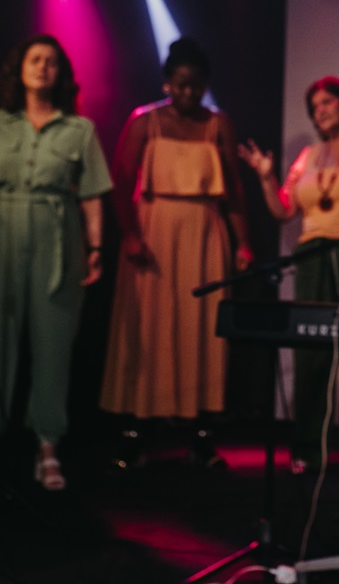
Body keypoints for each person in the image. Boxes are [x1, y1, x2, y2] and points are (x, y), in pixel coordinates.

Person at [0, 34, 111, 492]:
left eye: (51, 61)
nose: (42, 67)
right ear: (18, 69)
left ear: (61, 72)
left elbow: (93, 196)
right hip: (0, 235)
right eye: (34, 59)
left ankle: (47, 447)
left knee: (53, 345)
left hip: (56, 239)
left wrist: (97, 248)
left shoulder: (79, 129)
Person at [100, 37, 253, 468]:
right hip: (155, 230)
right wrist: (130, 235)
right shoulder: (144, 121)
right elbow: (121, 178)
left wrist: (242, 242)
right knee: (147, 328)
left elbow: (235, 189)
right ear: (167, 82)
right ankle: (136, 430)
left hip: (205, 231)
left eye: (197, 86)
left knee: (202, 330)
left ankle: (201, 434)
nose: (189, 93)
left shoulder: (218, 123)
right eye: (181, 84)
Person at [240, 75, 339, 472]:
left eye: (328, 102)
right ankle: (308, 448)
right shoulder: (308, 156)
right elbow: (283, 211)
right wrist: (264, 175)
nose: (320, 110)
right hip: (312, 255)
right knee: (311, 352)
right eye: (314, 107)